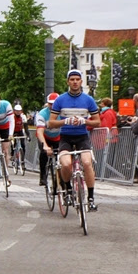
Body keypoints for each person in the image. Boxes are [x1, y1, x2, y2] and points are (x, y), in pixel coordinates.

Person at [47, 69, 101, 211]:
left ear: (81, 82)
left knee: (87, 163)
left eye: (77, 79)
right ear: (68, 82)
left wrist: (85, 121)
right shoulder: (60, 100)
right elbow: (51, 123)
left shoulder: (88, 100)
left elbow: (97, 122)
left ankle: (90, 198)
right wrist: (66, 122)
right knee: (65, 165)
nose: (75, 82)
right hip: (66, 137)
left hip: (82, 137)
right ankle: (69, 191)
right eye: (72, 80)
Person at [35, 92, 60, 186]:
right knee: (43, 154)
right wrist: (45, 145)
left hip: (58, 137)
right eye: (50, 103)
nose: (52, 106)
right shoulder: (42, 114)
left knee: (60, 156)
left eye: (55, 103)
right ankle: (43, 176)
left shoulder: (63, 112)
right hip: (45, 137)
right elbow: (40, 131)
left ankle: (59, 177)